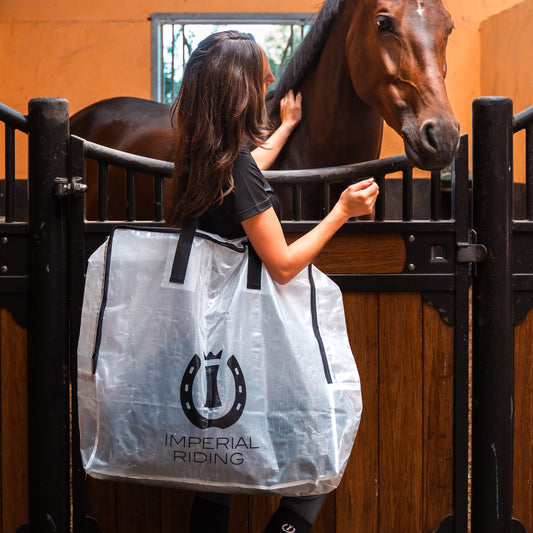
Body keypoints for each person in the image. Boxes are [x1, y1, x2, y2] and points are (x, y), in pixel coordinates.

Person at [168, 31, 379, 533]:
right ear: (238, 88)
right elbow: (283, 264)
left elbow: (248, 169)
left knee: (217, 455)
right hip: (258, 335)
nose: (269, 81)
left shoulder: (201, 156)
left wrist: (285, 128)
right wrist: (341, 212)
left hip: (210, 334)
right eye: (262, 75)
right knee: (324, 431)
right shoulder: (235, 168)